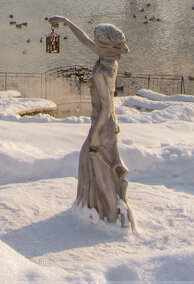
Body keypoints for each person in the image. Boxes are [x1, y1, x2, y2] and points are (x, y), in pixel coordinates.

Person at [46, 15, 136, 230]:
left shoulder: (103, 73)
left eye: (97, 40)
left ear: (103, 45)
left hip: (102, 127)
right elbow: (85, 40)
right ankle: (95, 207)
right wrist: (66, 22)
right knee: (90, 163)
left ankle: (112, 214)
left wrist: (95, 135)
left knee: (101, 169)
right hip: (105, 125)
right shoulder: (108, 59)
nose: (93, 43)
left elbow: (106, 107)